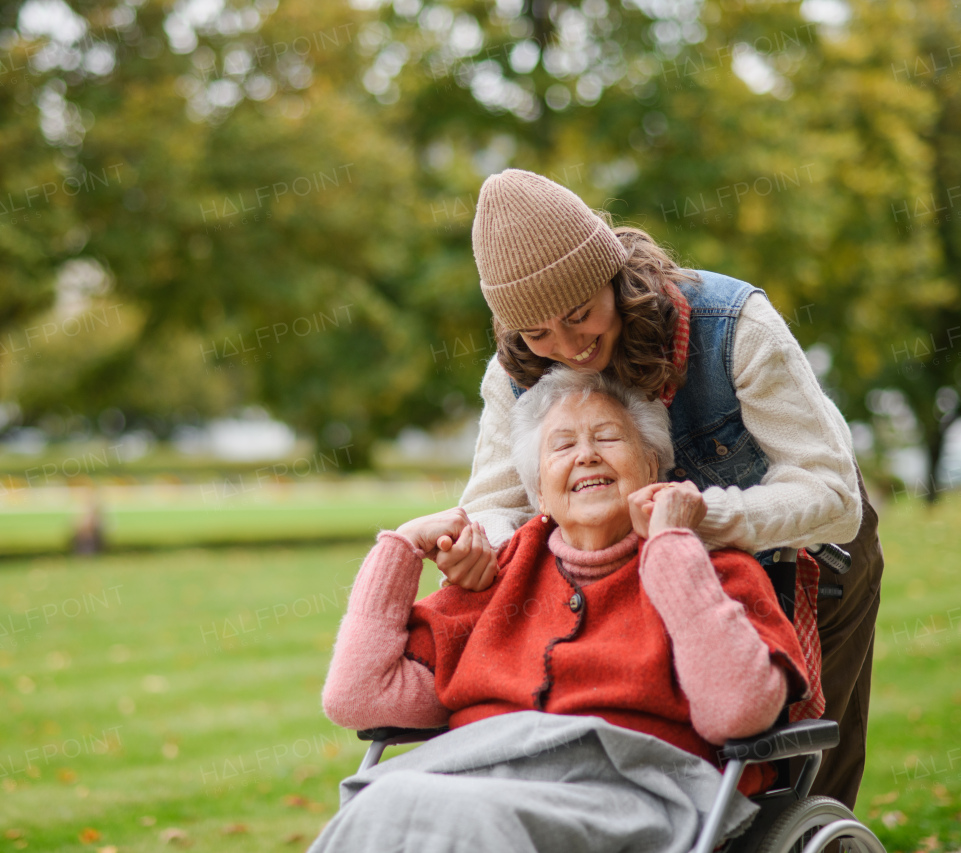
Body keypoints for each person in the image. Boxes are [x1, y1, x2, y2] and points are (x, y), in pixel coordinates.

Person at [431, 168, 882, 808]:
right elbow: (494, 505)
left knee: (795, 779)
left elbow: (832, 496)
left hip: (807, 561)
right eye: (536, 333)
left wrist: (701, 520)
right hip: (638, 592)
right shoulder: (517, 372)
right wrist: (480, 544)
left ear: (610, 274)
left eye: (580, 314)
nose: (566, 347)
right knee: (671, 776)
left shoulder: (735, 326)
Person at [314, 368, 810, 852]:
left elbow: (738, 710)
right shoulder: (498, 576)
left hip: (628, 795)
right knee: (385, 806)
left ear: (653, 464)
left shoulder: (714, 570)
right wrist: (400, 549)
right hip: (466, 781)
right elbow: (358, 697)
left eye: (608, 438)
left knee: (440, 812)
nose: (587, 456)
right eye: (563, 445)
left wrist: (671, 547)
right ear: (538, 491)